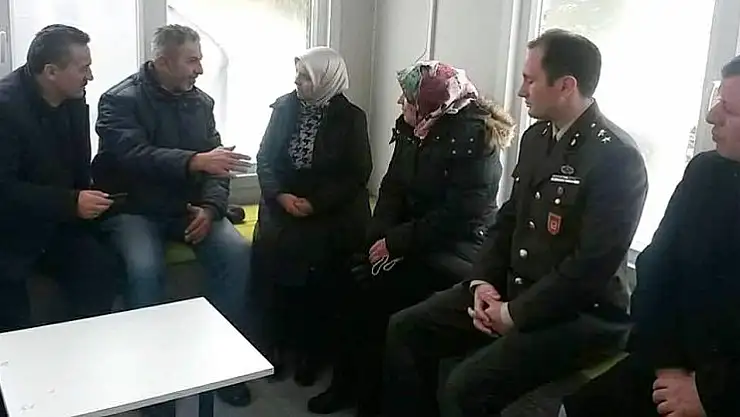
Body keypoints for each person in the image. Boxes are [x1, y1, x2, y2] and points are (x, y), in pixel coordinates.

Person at [380, 29, 649, 417]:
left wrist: (514, 314)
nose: (521, 91)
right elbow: (507, 220)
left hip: (577, 314)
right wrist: (483, 283)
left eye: (530, 80)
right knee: (405, 330)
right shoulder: (537, 137)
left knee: (466, 388)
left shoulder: (616, 158)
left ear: (566, 86)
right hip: (514, 289)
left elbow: (590, 266)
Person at [307, 60, 515, 416]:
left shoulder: (476, 138)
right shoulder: (415, 127)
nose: (400, 103)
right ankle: (348, 386)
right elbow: (392, 189)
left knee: (377, 296)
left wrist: (395, 243)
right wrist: (376, 239)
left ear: (429, 104)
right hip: (413, 240)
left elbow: (458, 216)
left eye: (407, 98)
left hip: (457, 251)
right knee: (346, 273)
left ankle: (372, 402)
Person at [559, 55, 740, 417]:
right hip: (672, 363)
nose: (711, 116)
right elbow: (656, 267)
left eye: (730, 109)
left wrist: (710, 394)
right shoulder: (706, 173)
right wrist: (667, 364)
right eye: (717, 100)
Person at [92, 24, 252, 410]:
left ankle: (219, 365)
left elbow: (217, 164)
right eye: (192, 60)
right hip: (135, 209)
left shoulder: (201, 102)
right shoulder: (118, 100)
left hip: (188, 209)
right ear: (163, 62)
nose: (200, 69)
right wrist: (194, 161)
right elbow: (132, 156)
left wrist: (211, 208)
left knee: (236, 254)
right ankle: (150, 381)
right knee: (145, 269)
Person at [251, 46, 372, 386]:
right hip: (284, 202)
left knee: (320, 269)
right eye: (298, 75)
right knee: (275, 261)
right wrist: (281, 196)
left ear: (325, 79)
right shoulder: (284, 108)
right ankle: (277, 345)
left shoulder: (352, 118)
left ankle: (313, 351)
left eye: (305, 77)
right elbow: (265, 159)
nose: (297, 82)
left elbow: (357, 173)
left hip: (330, 208)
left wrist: (315, 204)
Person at [0, 24, 118, 332]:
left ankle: (84, 350)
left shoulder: (73, 97)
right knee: (12, 317)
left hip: (57, 222)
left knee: (100, 267)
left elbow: (78, 166)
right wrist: (70, 202)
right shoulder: (5, 108)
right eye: (83, 68)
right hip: (9, 230)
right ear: (51, 72)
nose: (90, 76)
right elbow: (4, 190)